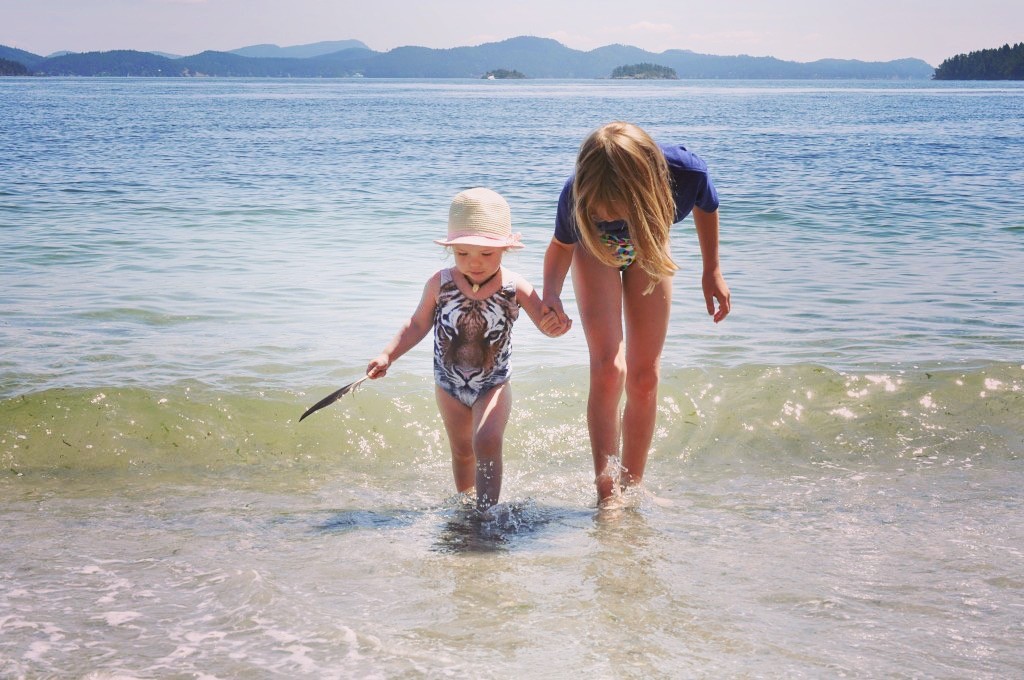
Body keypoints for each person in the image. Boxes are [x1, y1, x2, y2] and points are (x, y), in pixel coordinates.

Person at [541, 122, 731, 504]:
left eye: (616, 210)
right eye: (601, 212)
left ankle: (633, 484)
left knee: (644, 377)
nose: (610, 218)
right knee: (609, 368)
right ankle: (607, 492)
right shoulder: (576, 191)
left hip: (648, 248)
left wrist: (712, 269)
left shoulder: (685, 173)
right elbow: (562, 245)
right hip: (593, 253)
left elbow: (707, 206)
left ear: (644, 188)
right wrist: (551, 295)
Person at [367, 187, 571, 511]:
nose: (474, 264)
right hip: (448, 383)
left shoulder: (514, 286)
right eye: (463, 254)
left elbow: (545, 323)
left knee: (486, 441)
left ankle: (487, 513)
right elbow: (418, 324)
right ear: (452, 250)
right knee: (462, 450)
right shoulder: (440, 283)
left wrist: (555, 326)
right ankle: (467, 506)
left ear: (506, 248)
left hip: (493, 383)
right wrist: (387, 355)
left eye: (486, 255)